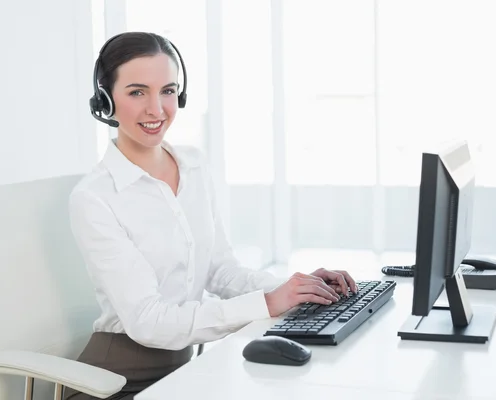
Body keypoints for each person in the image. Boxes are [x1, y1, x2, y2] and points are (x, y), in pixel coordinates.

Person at [65, 31, 357, 400]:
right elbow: (149, 322)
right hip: (114, 381)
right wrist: (266, 304)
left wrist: (292, 288)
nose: (156, 109)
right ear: (105, 101)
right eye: (137, 92)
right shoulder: (95, 198)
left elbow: (220, 270)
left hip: (185, 370)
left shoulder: (193, 165)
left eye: (168, 91)